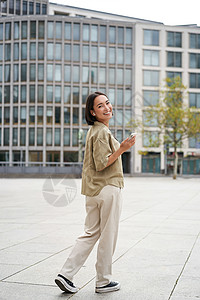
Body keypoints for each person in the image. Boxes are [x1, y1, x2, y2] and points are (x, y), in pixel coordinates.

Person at [55, 91, 136, 294]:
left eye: (107, 103)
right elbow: (101, 164)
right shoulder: (101, 132)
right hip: (107, 188)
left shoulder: (94, 131)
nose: (107, 107)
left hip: (93, 190)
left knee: (90, 233)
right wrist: (123, 148)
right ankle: (103, 281)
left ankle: (66, 274)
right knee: (108, 235)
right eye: (100, 106)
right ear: (92, 112)